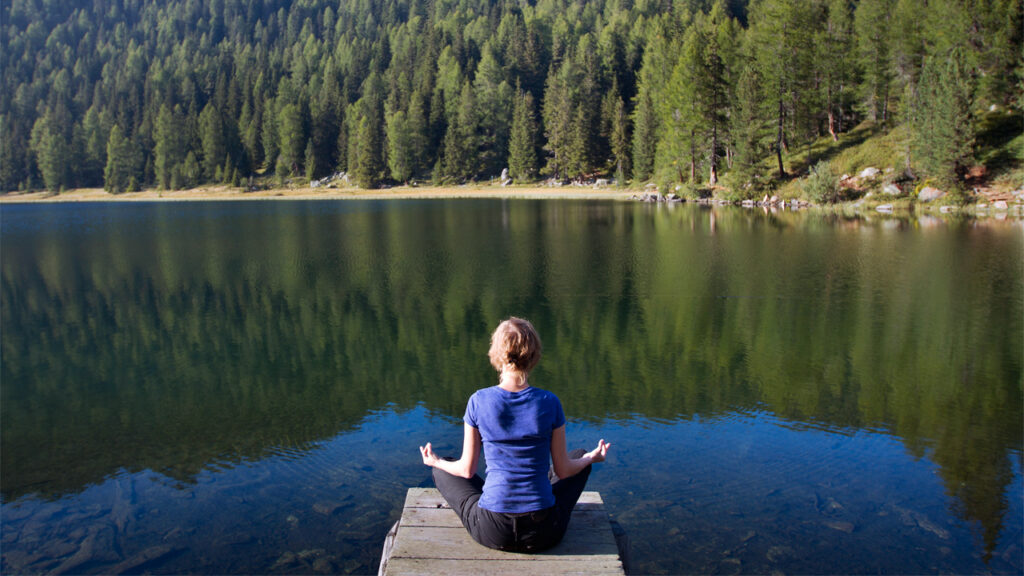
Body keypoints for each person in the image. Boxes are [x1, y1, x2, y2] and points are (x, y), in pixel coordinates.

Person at [419, 317, 611, 552]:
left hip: (492, 530)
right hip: (542, 531)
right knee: (580, 456)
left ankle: (491, 495)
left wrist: (435, 461)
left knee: (444, 468)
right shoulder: (549, 402)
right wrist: (592, 457)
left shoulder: (478, 401)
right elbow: (563, 470)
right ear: (534, 355)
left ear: (496, 353)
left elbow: (467, 470)